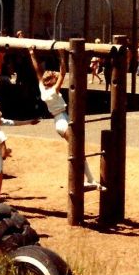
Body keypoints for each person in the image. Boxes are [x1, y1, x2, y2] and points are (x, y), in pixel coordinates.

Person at [28, 47, 98, 188]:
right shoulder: (53, 90)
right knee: (78, 151)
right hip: (62, 121)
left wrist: (32, 54)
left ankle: (88, 179)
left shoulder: (43, 88)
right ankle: (88, 179)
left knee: (77, 150)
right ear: (52, 81)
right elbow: (63, 72)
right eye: (54, 76)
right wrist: (61, 56)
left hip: (60, 120)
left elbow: (37, 71)